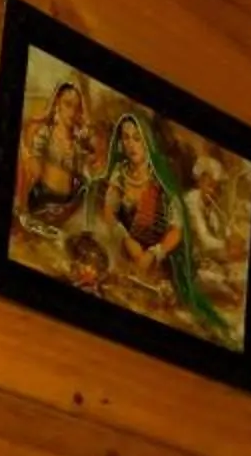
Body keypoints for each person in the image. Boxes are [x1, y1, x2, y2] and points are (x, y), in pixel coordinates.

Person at [99, 111, 231, 341]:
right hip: (123, 254)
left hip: (158, 262)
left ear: (147, 141)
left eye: (137, 138)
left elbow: (176, 229)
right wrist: (127, 241)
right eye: (126, 138)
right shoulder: (120, 173)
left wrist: (154, 252)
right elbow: (110, 212)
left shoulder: (162, 177)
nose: (131, 144)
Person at [20, 80, 93, 227]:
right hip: (43, 201)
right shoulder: (46, 134)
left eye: (77, 107)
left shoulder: (77, 145)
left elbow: (82, 178)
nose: (72, 112)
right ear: (57, 104)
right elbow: (34, 171)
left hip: (66, 207)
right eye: (68, 104)